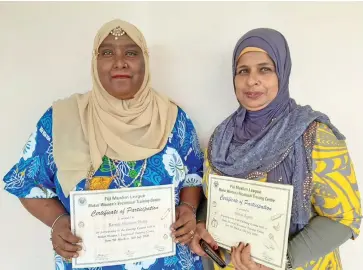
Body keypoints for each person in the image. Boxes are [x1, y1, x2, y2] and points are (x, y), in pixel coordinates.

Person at [3, 19, 204, 270]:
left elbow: (194, 175)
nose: (120, 62)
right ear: (94, 62)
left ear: (146, 61)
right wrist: (57, 222)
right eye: (107, 52)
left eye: (131, 53)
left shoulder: (173, 119)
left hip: (168, 262)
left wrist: (187, 208)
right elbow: (24, 182)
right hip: (88, 259)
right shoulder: (61, 119)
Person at [190, 28, 361, 270]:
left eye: (265, 69)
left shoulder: (313, 134)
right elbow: (215, 197)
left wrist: (283, 260)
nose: (252, 80)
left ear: (282, 72)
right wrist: (201, 223)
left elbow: (345, 218)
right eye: (243, 71)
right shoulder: (222, 136)